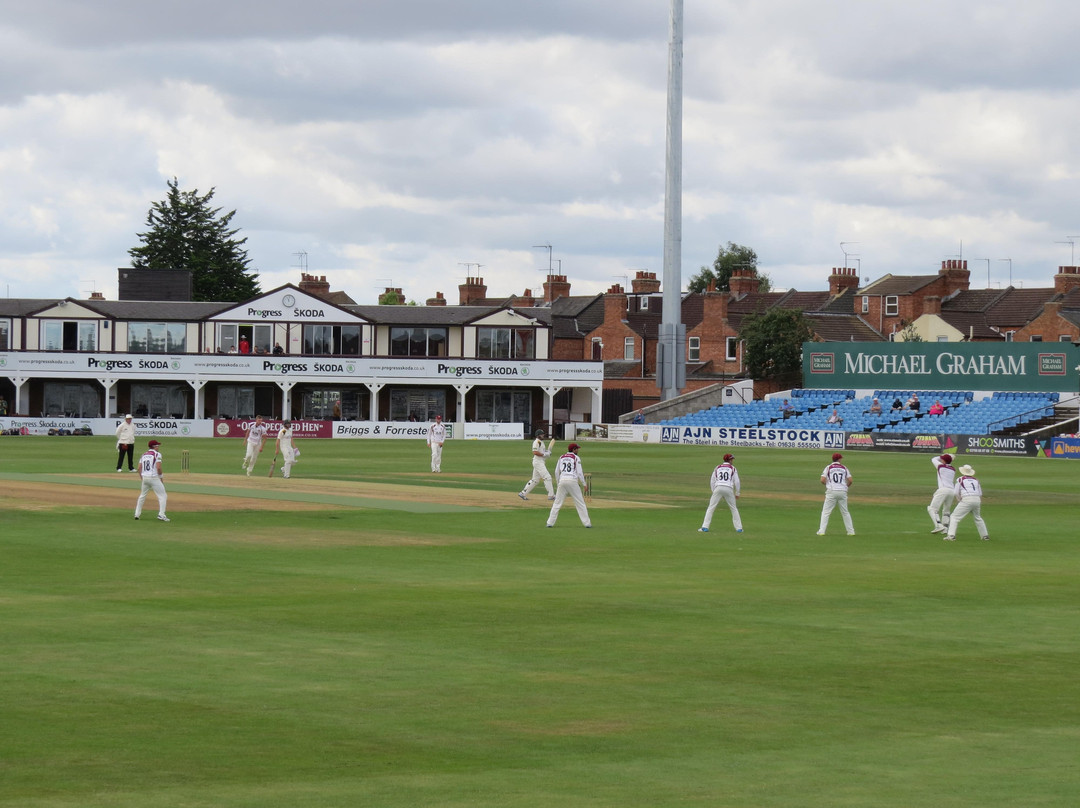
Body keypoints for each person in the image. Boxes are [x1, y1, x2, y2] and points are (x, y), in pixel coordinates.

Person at [546, 443, 591, 528]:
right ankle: (587, 523)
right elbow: (580, 473)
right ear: (573, 449)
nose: (578, 450)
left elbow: (556, 471)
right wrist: (584, 484)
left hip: (562, 481)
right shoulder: (576, 458)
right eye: (577, 449)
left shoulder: (561, 457)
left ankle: (550, 523)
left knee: (557, 503)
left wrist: (559, 482)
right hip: (572, 480)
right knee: (580, 503)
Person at [699, 453, 742, 533]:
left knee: (711, 508)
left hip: (718, 487)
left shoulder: (717, 467)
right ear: (729, 460)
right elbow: (737, 481)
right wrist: (737, 493)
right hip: (729, 488)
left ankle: (705, 527)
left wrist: (714, 491)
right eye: (732, 459)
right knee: (733, 508)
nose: (732, 460)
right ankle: (739, 528)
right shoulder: (733, 468)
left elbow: (712, 480)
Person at [944, 464, 989, 541]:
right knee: (978, 517)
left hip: (966, 499)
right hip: (977, 499)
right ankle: (985, 536)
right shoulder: (976, 480)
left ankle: (951, 535)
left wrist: (959, 499)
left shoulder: (960, 479)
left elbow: (956, 492)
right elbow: (980, 493)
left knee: (954, 517)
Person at [817, 452, 854, 536]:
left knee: (826, 512)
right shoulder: (844, 468)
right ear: (839, 459)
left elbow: (822, 480)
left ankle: (821, 531)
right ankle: (851, 531)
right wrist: (846, 487)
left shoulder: (828, 467)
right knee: (845, 512)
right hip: (842, 491)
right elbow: (850, 480)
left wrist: (828, 485)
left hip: (832, 491)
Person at [134, 439, 169, 522]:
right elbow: (159, 467)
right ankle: (161, 514)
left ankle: (137, 514)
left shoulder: (144, 455)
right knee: (163, 496)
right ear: (154, 447)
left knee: (142, 496)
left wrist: (142, 478)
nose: (158, 447)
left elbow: (139, 468)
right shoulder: (157, 454)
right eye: (157, 446)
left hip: (145, 477)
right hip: (154, 478)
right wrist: (161, 477)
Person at [519, 429, 554, 501]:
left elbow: (542, 452)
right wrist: (544, 454)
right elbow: (535, 452)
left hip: (540, 462)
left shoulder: (541, 442)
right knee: (547, 477)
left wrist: (547, 453)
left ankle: (523, 493)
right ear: (538, 435)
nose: (543, 435)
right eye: (542, 434)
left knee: (535, 480)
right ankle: (551, 495)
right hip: (538, 462)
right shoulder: (537, 442)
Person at [927, 453, 956, 534]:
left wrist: (940, 456)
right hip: (952, 491)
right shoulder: (953, 469)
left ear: (943, 460)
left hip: (943, 489)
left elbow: (933, 459)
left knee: (932, 509)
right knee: (946, 511)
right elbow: (947, 463)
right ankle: (945, 529)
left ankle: (939, 526)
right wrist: (947, 458)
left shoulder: (940, 466)